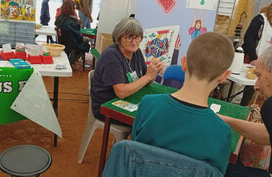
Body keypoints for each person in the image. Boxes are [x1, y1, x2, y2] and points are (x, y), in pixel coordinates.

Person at [131, 32, 235, 175]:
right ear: (224, 76)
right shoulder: (222, 132)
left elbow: (134, 151)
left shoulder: (148, 105)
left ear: (184, 63)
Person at [91, 18, 165, 125]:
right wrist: (148, 76)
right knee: (150, 121)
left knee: (157, 113)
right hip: (107, 106)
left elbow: (146, 82)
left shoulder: (136, 52)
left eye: (137, 37)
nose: (134, 42)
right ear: (119, 37)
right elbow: (121, 92)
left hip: (129, 99)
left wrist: (154, 71)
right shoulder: (111, 56)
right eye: (129, 37)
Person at [219, 47, 272, 176]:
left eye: (259, 76)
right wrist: (226, 120)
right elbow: (267, 133)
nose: (256, 86)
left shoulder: (269, 107)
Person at [240, 3, 272, 106]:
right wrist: (256, 59)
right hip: (251, 57)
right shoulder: (260, 19)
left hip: (267, 63)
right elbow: (248, 39)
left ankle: (247, 107)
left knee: (254, 89)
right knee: (243, 86)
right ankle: (238, 105)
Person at [54, 0, 90, 65]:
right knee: (86, 43)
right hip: (72, 43)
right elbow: (78, 36)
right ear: (72, 8)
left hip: (61, 41)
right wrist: (83, 38)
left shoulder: (59, 19)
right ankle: (72, 61)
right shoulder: (73, 21)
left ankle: (71, 60)